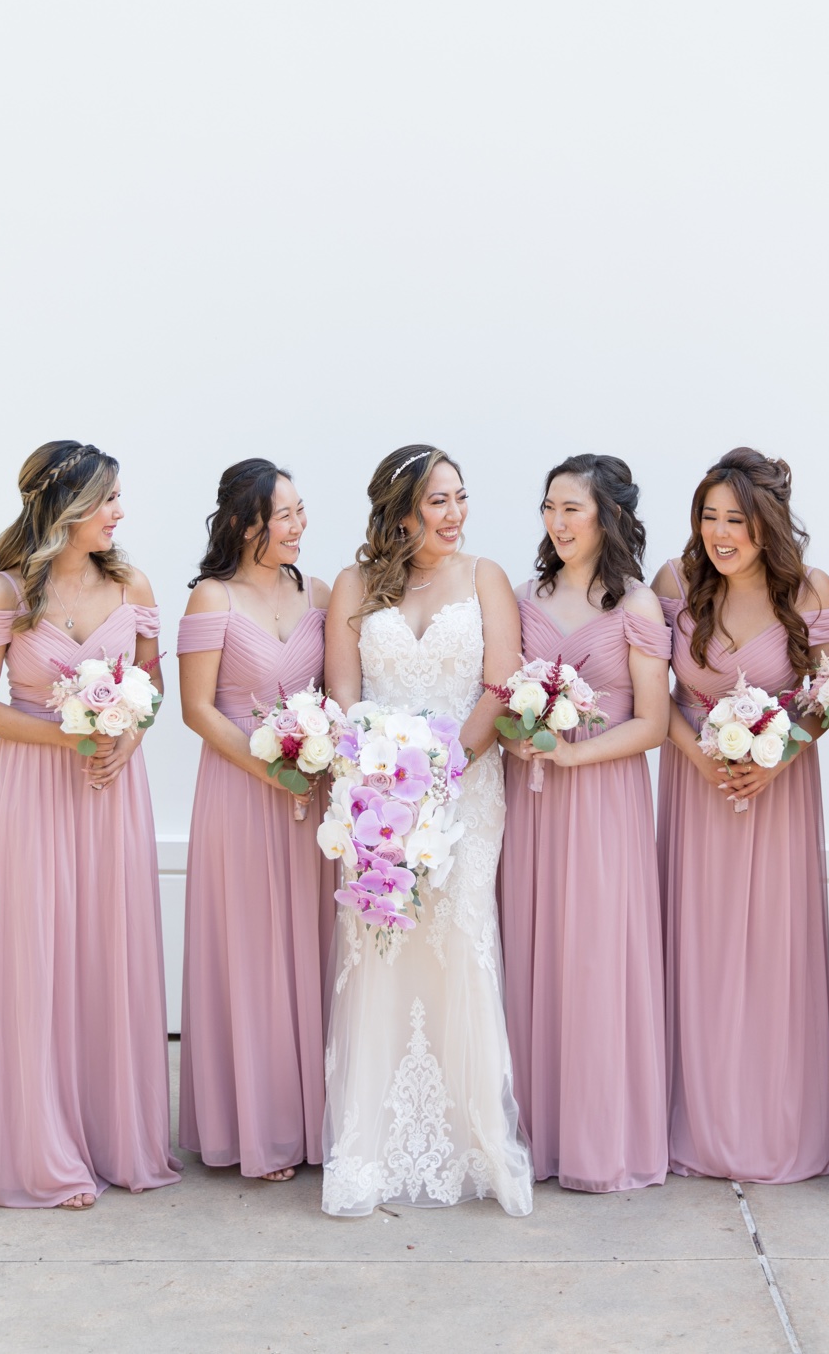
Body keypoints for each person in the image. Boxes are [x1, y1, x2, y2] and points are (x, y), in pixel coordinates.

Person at [0, 441, 180, 1210]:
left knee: (108, 952)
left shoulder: (134, 584)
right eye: (109, 500)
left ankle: (116, 1137)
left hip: (114, 790)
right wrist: (68, 737)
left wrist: (126, 736)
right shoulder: (4, 594)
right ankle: (40, 1145)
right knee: (39, 953)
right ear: (69, 508)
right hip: (35, 791)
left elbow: (149, 688)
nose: (121, 513)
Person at [320, 445, 533, 1217]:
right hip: (375, 800)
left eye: (460, 498)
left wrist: (440, 775)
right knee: (380, 948)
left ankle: (476, 1141)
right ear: (400, 510)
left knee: (459, 940)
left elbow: (501, 687)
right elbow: (343, 693)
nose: (455, 514)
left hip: (466, 794)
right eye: (437, 501)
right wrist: (378, 779)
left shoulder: (485, 579)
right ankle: (370, 1141)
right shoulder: (352, 585)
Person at [652, 448, 829, 1183]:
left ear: (769, 525)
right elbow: (656, 698)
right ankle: (696, 1119)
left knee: (772, 953)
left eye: (736, 519)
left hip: (776, 796)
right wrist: (702, 758)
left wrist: (778, 758)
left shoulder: (812, 590)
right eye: (709, 517)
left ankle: (774, 1123)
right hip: (697, 788)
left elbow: (827, 700)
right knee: (698, 948)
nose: (720, 534)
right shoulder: (676, 583)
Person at [500, 453, 671, 1192]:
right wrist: (518, 737)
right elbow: (500, 694)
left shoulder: (636, 606)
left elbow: (656, 724)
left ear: (606, 514)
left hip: (603, 800)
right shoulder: (520, 594)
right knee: (530, 950)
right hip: (530, 798)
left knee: (597, 957)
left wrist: (576, 756)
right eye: (548, 507)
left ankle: (601, 1138)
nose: (557, 522)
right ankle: (531, 1130)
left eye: (571, 508)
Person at [177, 460, 334, 1183]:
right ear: (247, 522)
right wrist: (268, 766)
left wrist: (317, 756)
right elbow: (198, 709)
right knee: (251, 952)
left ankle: (320, 1121)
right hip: (241, 791)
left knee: (314, 946)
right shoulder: (212, 599)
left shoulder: (321, 592)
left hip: (314, 797)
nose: (300, 526)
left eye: (302, 512)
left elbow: (336, 691)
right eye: (286, 515)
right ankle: (259, 1127)